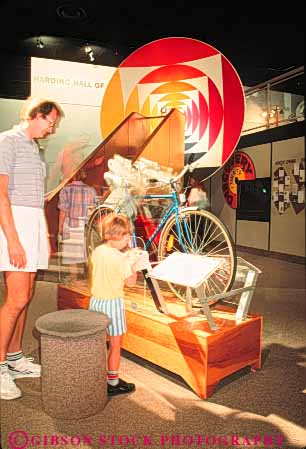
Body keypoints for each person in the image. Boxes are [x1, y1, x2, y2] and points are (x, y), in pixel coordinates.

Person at [0, 97, 64, 400]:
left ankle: (14, 358)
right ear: (35, 115)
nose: (51, 128)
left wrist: (46, 236)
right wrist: (13, 239)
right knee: (16, 298)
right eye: (49, 121)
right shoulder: (7, 141)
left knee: (26, 297)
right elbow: (1, 195)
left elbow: (37, 198)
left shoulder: (34, 149)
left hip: (33, 222)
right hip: (14, 224)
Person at [88, 213, 148, 397]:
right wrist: (133, 264)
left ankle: (93, 377)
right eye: (126, 235)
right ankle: (112, 382)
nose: (129, 238)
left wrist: (125, 257)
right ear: (116, 236)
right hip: (112, 304)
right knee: (115, 344)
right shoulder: (120, 259)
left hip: (96, 301)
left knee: (97, 342)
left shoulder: (98, 251)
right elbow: (130, 282)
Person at [57, 169, 98, 279]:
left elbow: (63, 211)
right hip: (85, 226)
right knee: (87, 252)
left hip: (71, 224)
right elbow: (93, 210)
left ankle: (73, 277)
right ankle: (89, 278)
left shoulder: (65, 190)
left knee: (72, 254)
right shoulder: (91, 190)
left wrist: (60, 227)